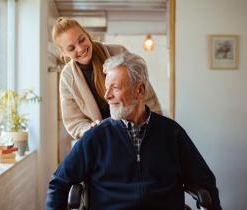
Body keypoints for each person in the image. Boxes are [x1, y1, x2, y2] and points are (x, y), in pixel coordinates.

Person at [46, 52, 222, 210]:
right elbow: (59, 183)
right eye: (106, 88)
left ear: (139, 90)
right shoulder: (97, 136)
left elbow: (204, 181)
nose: (106, 95)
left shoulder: (172, 133)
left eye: (115, 88)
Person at [52, 17, 162, 139]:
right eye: (71, 48)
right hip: (103, 139)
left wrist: (157, 127)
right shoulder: (67, 78)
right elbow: (74, 122)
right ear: (64, 53)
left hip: (137, 131)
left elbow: (146, 94)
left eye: (82, 39)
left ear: (87, 34)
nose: (80, 48)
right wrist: (89, 129)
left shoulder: (119, 52)